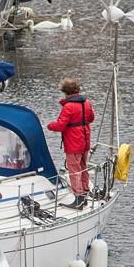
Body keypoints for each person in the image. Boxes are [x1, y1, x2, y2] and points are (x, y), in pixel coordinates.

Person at [47, 77, 94, 209]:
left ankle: (78, 198)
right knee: (84, 167)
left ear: (65, 92)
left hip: (73, 142)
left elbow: (61, 126)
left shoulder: (68, 106)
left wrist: (50, 126)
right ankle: (85, 193)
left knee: (74, 170)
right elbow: (91, 118)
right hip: (85, 139)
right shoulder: (87, 103)